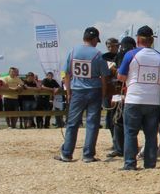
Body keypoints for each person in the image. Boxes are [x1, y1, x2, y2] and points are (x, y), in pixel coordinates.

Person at [117, 26, 160, 170]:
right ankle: (150, 164)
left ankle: (130, 164)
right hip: (153, 100)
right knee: (151, 135)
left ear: (138, 39)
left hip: (134, 99)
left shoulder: (130, 55)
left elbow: (121, 77)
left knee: (131, 133)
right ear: (152, 40)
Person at [55, 27, 109, 163]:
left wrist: (68, 92)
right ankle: (88, 155)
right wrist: (103, 94)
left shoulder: (73, 52)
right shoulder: (98, 54)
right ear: (94, 39)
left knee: (72, 123)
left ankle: (67, 153)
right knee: (92, 124)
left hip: (77, 91)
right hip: (94, 90)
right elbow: (104, 77)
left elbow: (66, 74)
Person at [108, 36, 137, 157]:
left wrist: (113, 69)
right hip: (135, 92)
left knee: (118, 120)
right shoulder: (136, 55)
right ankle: (133, 148)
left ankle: (120, 148)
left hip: (121, 91)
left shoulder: (121, 55)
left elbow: (119, 74)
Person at [102, 37, 120, 134]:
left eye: (112, 46)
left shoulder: (121, 57)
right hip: (108, 90)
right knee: (109, 115)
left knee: (118, 114)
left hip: (117, 90)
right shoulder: (104, 58)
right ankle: (113, 138)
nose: (110, 48)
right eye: (108, 46)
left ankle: (118, 140)